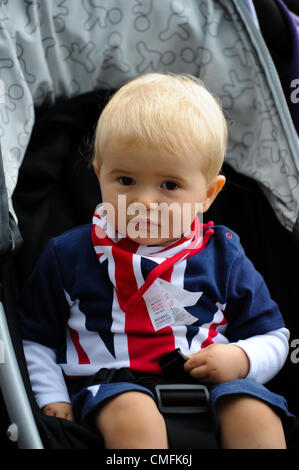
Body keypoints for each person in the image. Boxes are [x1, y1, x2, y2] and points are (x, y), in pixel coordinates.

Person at [19, 73, 293, 449]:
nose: (144, 201)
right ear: (99, 175)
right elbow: (35, 340)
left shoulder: (223, 255)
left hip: (212, 384)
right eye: (126, 180)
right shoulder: (68, 255)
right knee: (132, 410)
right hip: (112, 387)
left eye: (169, 185)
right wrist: (53, 397)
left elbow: (274, 336)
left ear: (208, 194)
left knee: (254, 409)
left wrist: (242, 359)